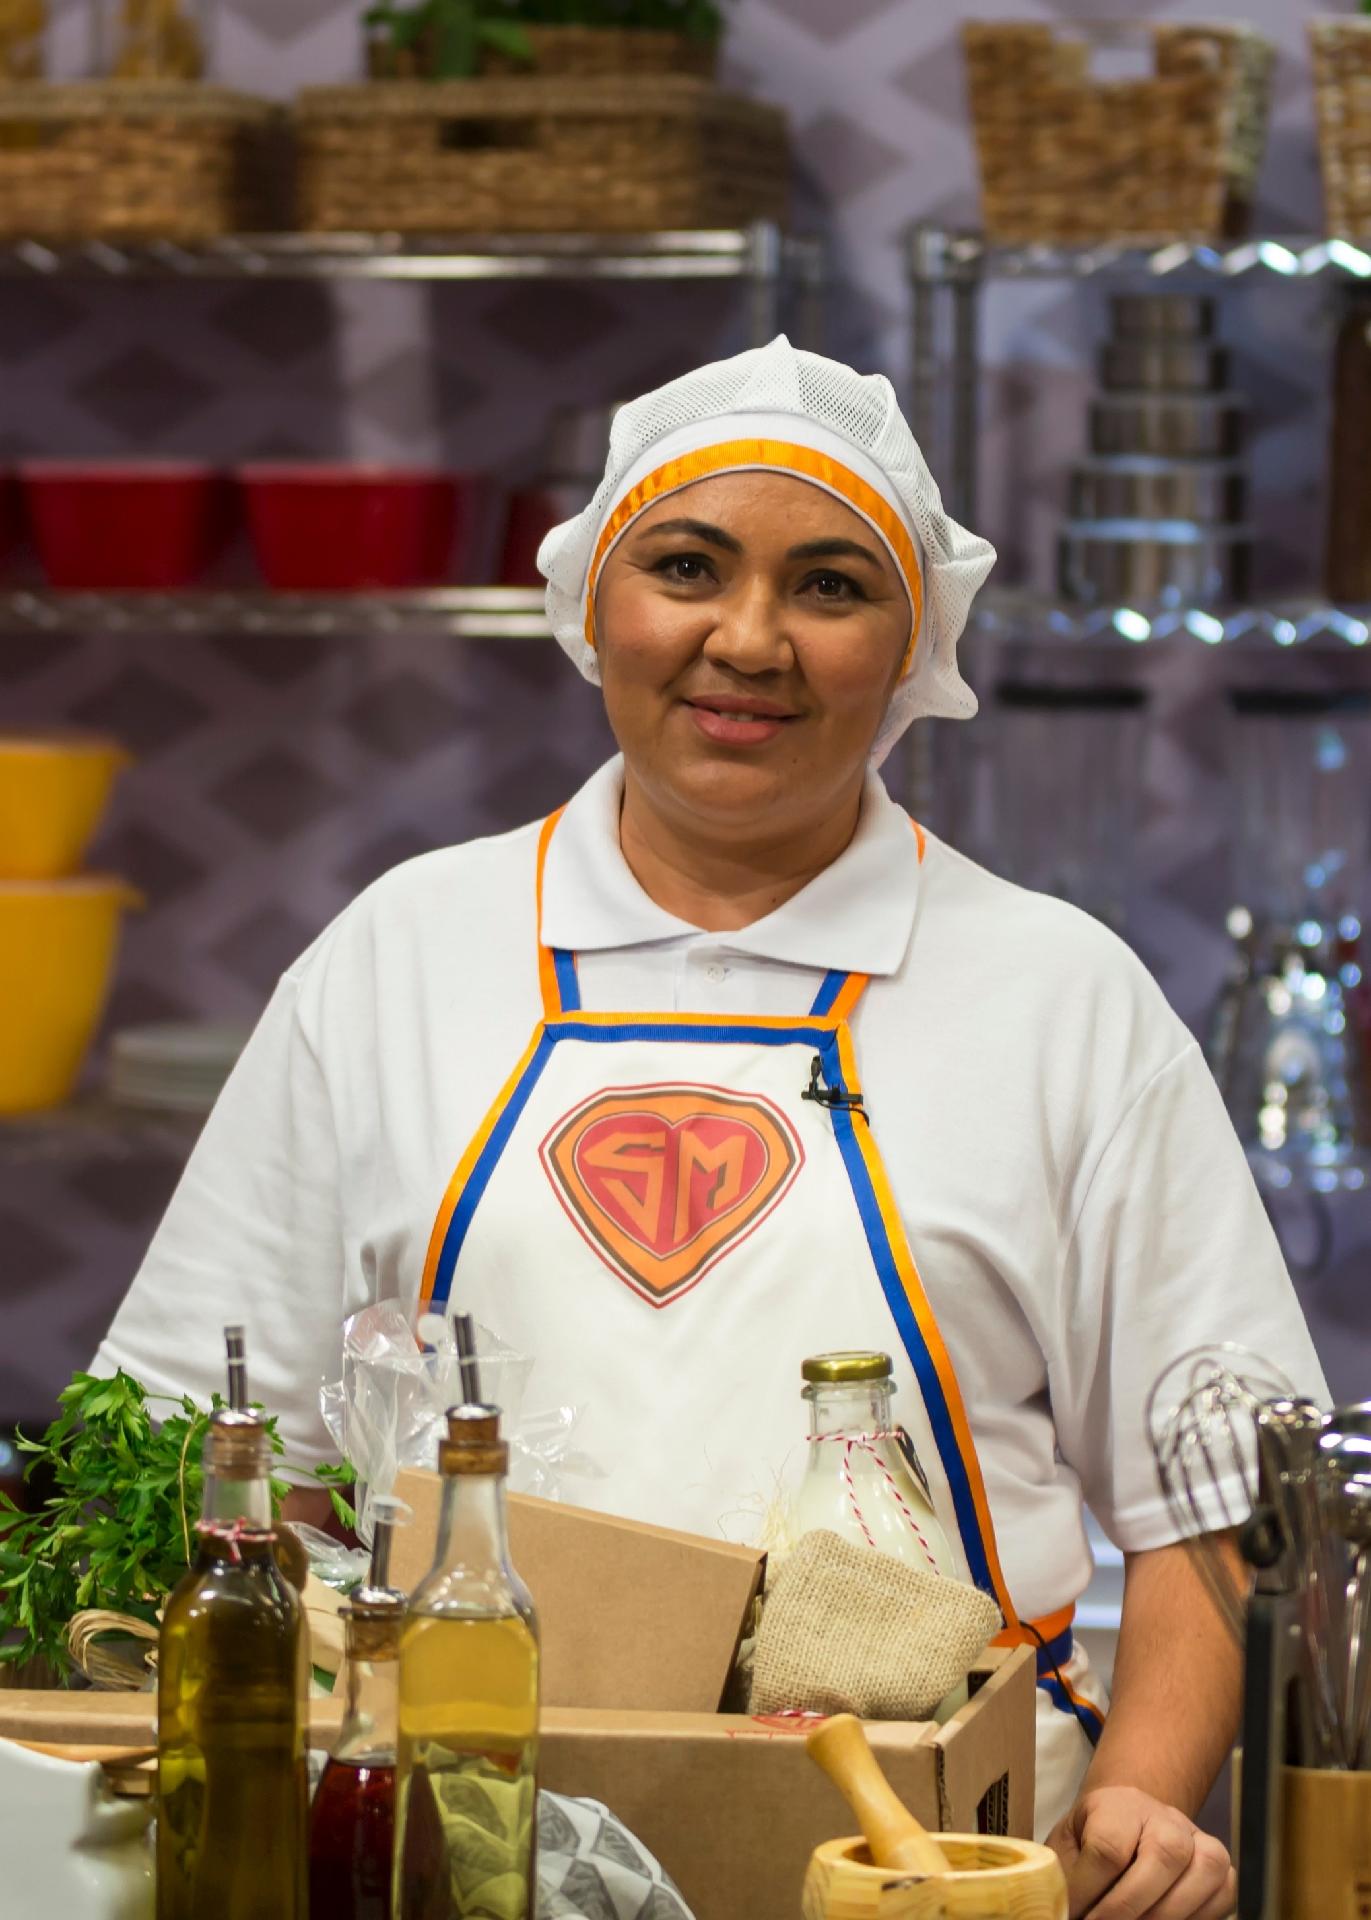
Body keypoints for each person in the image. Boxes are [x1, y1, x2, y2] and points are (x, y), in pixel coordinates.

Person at [96, 337, 1324, 1918]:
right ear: (591, 602)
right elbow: (201, 1450)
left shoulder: (1060, 995)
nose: (747, 639)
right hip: (455, 1852)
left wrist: (1140, 1808)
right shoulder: (401, 953)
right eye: (686, 567)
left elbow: (1215, 1501)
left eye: (830, 587)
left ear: (913, 646)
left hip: (923, 1862)